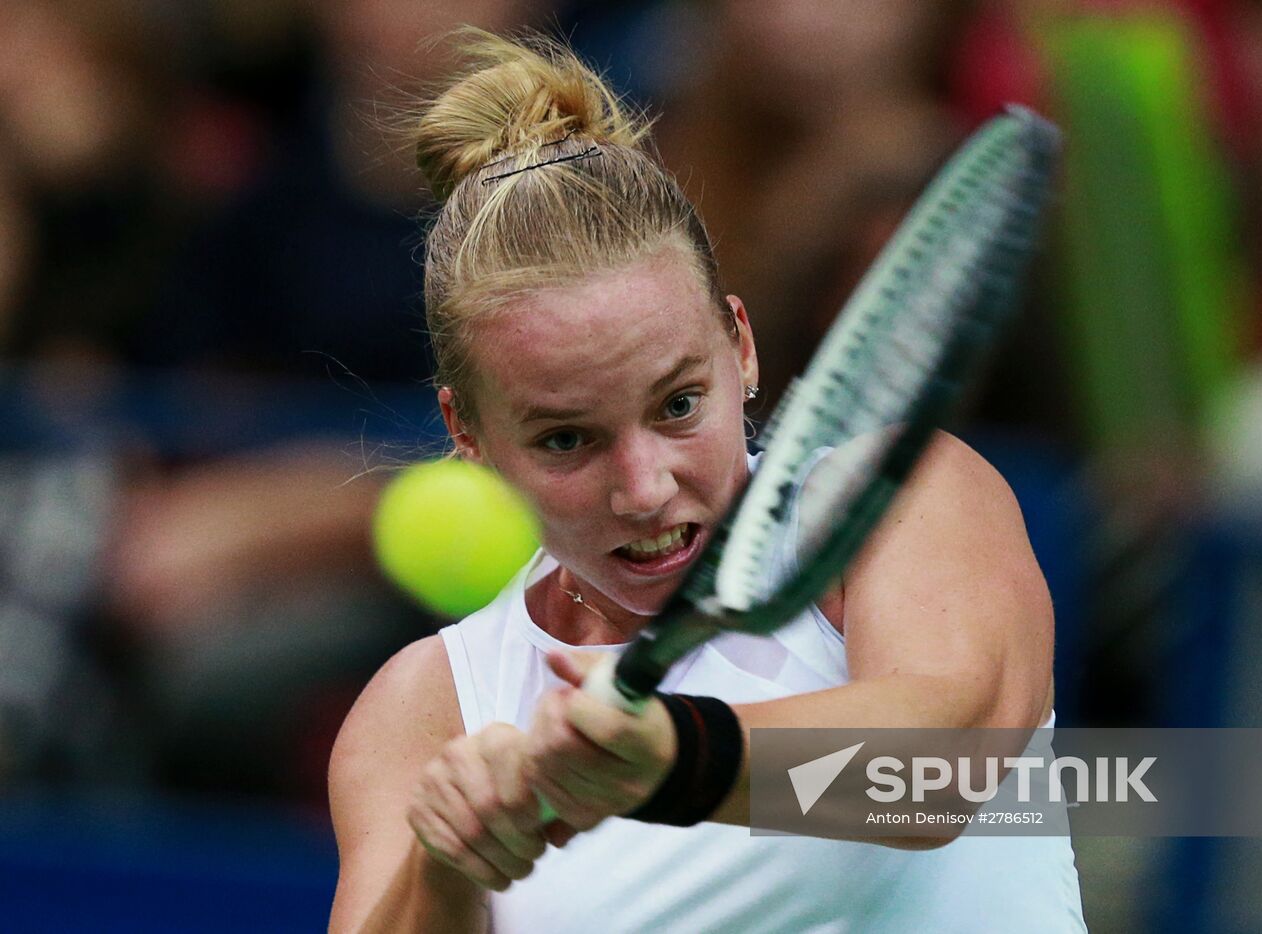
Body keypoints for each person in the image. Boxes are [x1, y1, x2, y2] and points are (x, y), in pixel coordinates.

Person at [327, 28, 1085, 934]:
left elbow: (939, 773)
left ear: (741, 345)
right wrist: (450, 867)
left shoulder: (897, 500)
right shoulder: (429, 707)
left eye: (678, 405)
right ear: (469, 435)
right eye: (567, 439)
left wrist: (677, 758)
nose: (644, 488)